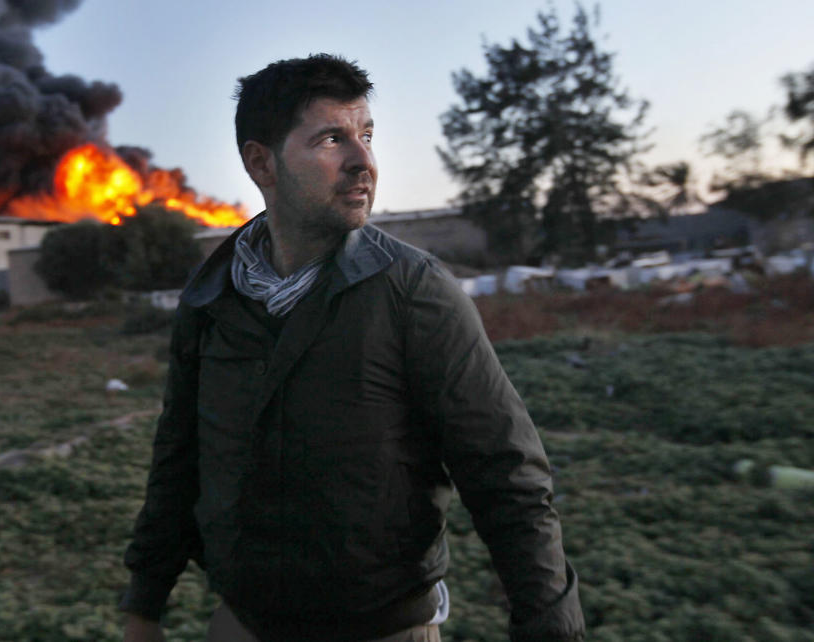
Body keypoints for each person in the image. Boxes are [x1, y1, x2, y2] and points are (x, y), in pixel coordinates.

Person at [120, 54, 585, 642]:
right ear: (261, 162)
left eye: (366, 135)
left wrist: (551, 629)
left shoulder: (413, 292)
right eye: (332, 138)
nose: (363, 161)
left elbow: (507, 476)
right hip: (243, 625)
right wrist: (144, 603)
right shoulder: (214, 297)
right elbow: (178, 458)